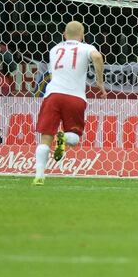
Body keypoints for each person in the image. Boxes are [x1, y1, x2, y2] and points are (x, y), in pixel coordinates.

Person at [33, 21, 106, 186]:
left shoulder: (54, 49)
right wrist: (100, 82)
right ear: (83, 35)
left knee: (45, 138)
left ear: (64, 34)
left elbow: (52, 76)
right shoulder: (86, 47)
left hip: (53, 95)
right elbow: (97, 57)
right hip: (75, 98)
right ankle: (62, 138)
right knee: (73, 139)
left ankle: (39, 176)